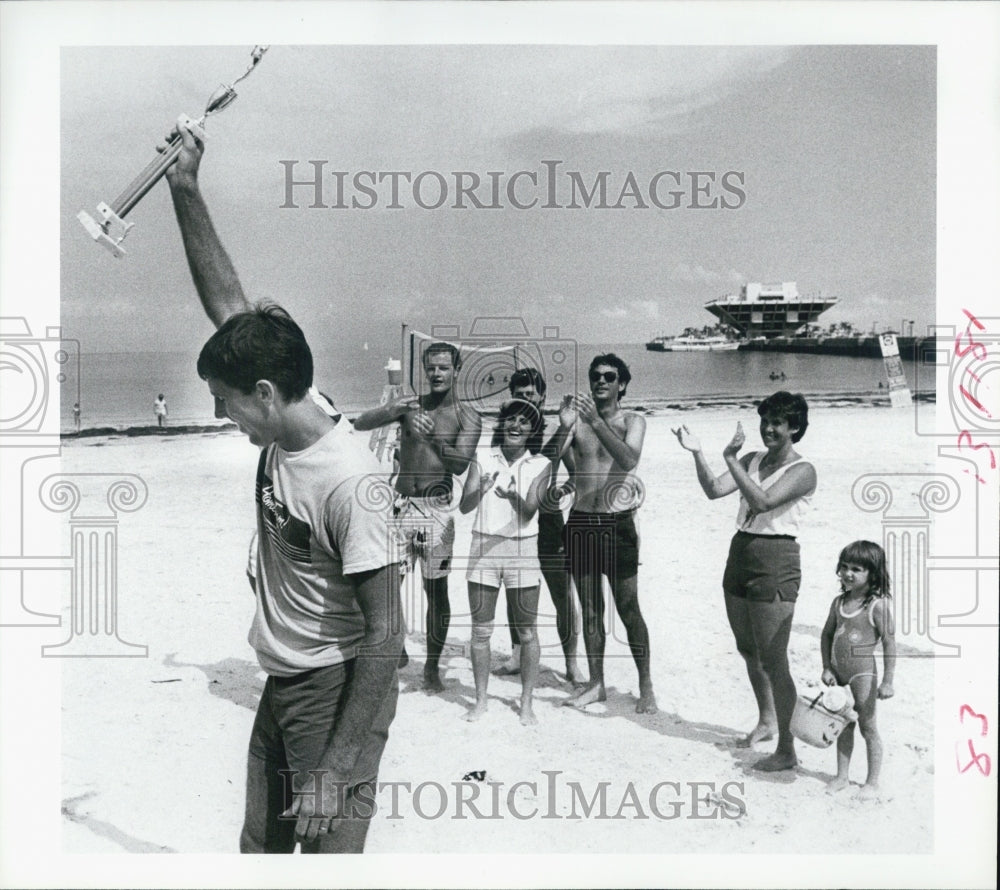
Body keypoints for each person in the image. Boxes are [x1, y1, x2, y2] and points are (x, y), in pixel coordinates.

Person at [164, 123, 404, 853]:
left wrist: (337, 766)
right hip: (285, 679)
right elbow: (228, 303)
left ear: (265, 393)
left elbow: (388, 635)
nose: (218, 414)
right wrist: (185, 189)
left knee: (324, 856)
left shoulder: (351, 483)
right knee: (259, 851)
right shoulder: (295, 404)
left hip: (336, 691)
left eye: (225, 401)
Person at [673, 391, 817, 771]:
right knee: (748, 649)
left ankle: (787, 749)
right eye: (765, 421)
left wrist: (730, 457)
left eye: (777, 423)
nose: (768, 429)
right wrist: (697, 453)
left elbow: (764, 502)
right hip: (741, 552)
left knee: (774, 659)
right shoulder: (752, 459)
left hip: (776, 559)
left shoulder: (804, 471)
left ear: (795, 428)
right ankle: (768, 720)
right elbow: (714, 490)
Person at [353, 343, 482, 693]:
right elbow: (360, 424)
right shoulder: (410, 407)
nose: (437, 374)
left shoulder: (468, 416)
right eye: (431, 369)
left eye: (443, 368)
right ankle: (398, 651)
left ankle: (432, 668)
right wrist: (389, 409)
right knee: (384, 587)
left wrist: (435, 437)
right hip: (400, 506)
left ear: (456, 369)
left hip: (437, 512)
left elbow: (459, 463)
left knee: (435, 591)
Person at [551, 354, 657, 713]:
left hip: (616, 522)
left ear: (622, 384)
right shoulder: (579, 422)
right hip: (581, 521)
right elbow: (549, 458)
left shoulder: (632, 421)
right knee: (591, 609)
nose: (601, 382)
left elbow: (628, 460)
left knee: (628, 608)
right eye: (595, 376)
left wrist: (595, 422)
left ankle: (646, 685)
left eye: (609, 377)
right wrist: (564, 426)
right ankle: (596, 683)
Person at [458, 398, 553, 724]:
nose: (515, 426)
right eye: (510, 420)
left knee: (527, 632)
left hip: (522, 551)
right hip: (483, 548)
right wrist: (481, 489)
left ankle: (526, 703)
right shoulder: (482, 456)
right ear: (502, 424)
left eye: (524, 422)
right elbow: (465, 507)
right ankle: (481, 700)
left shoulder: (541, 464)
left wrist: (513, 496)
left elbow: (528, 513)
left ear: (532, 431)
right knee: (481, 632)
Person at [497, 368, 584, 684]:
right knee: (514, 594)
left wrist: (565, 489)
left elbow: (574, 471)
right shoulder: (511, 433)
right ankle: (517, 655)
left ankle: (571, 663)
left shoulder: (555, 434)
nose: (524, 399)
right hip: (515, 521)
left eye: (530, 394)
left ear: (542, 397)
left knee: (562, 595)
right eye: (519, 395)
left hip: (548, 523)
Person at [821, 540, 896, 800]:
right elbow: (826, 635)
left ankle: (872, 783)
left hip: (863, 674)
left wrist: (887, 681)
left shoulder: (876, 606)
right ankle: (842, 776)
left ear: (873, 574)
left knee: (868, 726)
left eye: (856, 569)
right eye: (844, 567)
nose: (848, 573)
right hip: (838, 674)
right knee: (842, 724)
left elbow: (889, 643)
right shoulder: (838, 602)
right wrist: (826, 667)